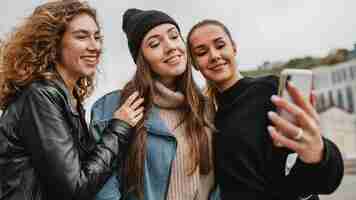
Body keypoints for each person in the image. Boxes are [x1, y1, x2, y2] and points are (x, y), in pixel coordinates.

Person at [186, 19, 344, 200]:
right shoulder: (207, 116)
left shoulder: (270, 90)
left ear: (234, 48)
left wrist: (319, 154)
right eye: (202, 52)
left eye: (220, 45)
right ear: (195, 65)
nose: (214, 55)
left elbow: (316, 176)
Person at [0, 1, 143, 199]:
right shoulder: (40, 96)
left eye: (97, 37)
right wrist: (119, 127)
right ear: (53, 42)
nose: (95, 46)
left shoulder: (68, 99)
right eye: (81, 36)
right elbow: (75, 188)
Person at [91, 9, 219, 200]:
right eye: (155, 44)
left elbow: (223, 179)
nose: (170, 47)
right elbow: (102, 186)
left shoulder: (208, 108)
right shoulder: (112, 107)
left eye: (174, 36)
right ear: (142, 59)